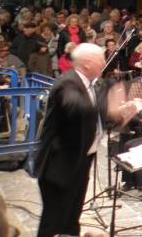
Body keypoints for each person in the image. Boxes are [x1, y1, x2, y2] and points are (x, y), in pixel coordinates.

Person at [35, 42, 107, 237]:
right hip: (59, 165)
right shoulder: (67, 84)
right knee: (53, 221)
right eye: (101, 60)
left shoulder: (94, 84)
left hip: (82, 160)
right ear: (87, 64)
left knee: (72, 217)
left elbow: (99, 115)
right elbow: (74, 105)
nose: (104, 63)